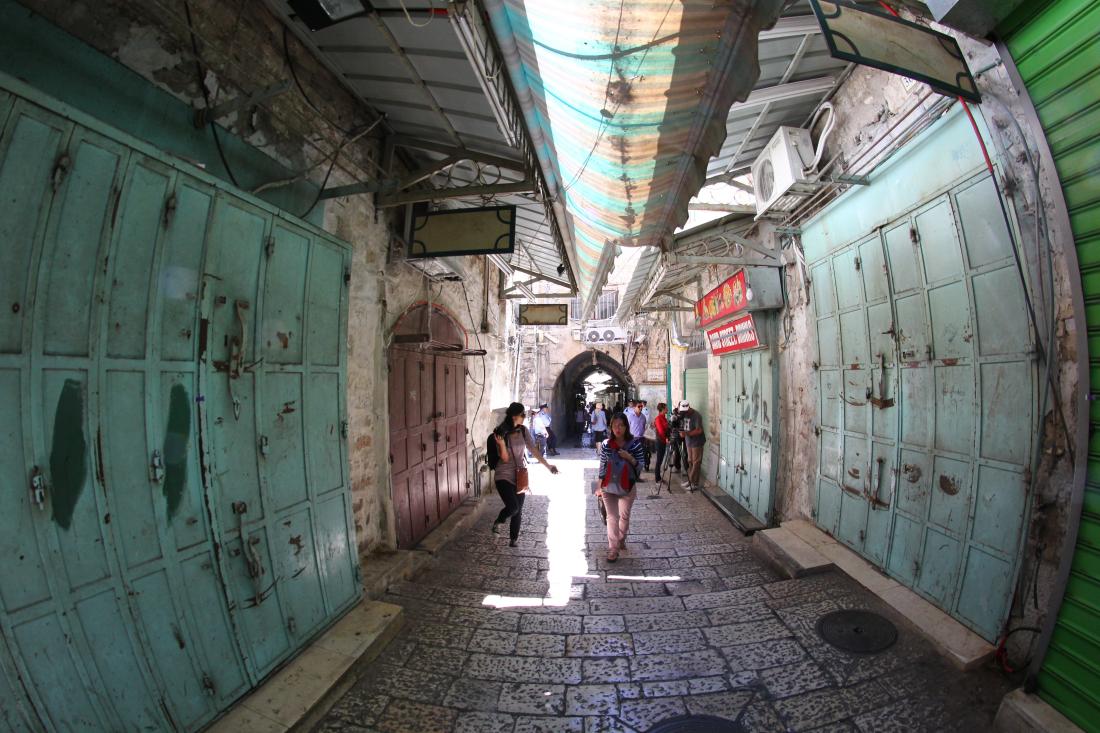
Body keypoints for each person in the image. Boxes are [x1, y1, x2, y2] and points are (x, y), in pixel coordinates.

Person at [491, 402, 558, 546]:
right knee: (513, 507)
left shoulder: (523, 430)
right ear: (514, 416)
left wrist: (548, 466)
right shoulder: (501, 432)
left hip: (519, 474)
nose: (525, 416)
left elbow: (533, 450)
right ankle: (498, 522)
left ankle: (513, 539)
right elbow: (505, 459)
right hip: (504, 474)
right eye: (522, 414)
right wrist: (501, 444)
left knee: (518, 510)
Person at [596, 413, 646, 562]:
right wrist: (598, 486)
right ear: (611, 427)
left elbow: (640, 466)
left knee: (624, 516)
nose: (618, 429)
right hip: (608, 486)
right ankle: (613, 548)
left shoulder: (635, 444)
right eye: (614, 425)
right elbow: (602, 466)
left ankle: (621, 539)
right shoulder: (606, 444)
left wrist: (629, 457)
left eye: (621, 425)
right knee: (612, 517)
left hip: (627, 486)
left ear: (626, 427)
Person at [679, 400, 706, 492]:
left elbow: (699, 430)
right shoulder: (684, 414)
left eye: (685, 411)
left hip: (697, 442)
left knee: (696, 462)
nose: (684, 413)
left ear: (689, 407)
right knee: (690, 461)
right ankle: (691, 481)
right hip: (689, 442)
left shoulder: (696, 416)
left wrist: (686, 433)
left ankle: (694, 483)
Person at [626, 402, 648, 471]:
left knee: (641, 453)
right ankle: (632, 468)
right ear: (634, 408)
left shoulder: (643, 417)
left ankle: (640, 467)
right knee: (632, 454)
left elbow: (644, 427)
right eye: (639, 406)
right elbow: (627, 427)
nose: (640, 408)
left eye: (641, 406)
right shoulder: (630, 416)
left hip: (641, 438)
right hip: (633, 438)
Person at [653, 403, 670, 481]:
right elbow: (661, 432)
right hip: (660, 442)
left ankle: (658, 477)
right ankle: (657, 477)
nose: (667, 409)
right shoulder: (658, 419)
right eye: (666, 408)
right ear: (662, 409)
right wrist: (666, 438)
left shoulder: (664, 418)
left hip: (663, 441)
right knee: (659, 460)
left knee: (661, 459)